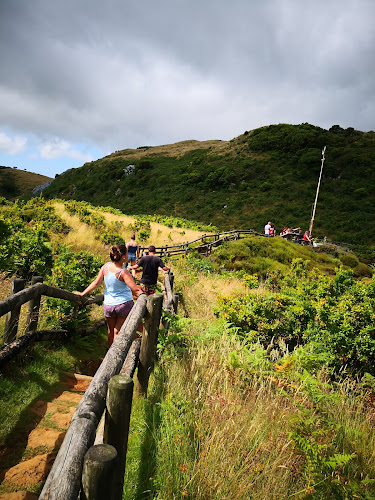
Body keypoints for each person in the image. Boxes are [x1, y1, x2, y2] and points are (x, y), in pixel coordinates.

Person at [75, 244, 142, 347]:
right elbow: (135, 290)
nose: (128, 255)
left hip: (108, 305)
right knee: (118, 332)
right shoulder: (123, 272)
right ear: (123, 257)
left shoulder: (105, 267)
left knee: (110, 332)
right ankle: (116, 358)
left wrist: (83, 293)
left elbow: (96, 283)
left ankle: (108, 355)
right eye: (127, 253)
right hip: (123, 304)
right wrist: (145, 297)